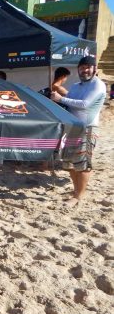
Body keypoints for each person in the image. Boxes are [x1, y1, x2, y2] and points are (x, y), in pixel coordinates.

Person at [51, 56, 106, 206]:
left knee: (83, 163)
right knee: (70, 163)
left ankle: (79, 196)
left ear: (94, 69)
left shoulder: (98, 85)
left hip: (87, 128)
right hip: (72, 128)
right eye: (82, 68)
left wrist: (60, 99)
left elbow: (85, 104)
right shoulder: (76, 85)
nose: (85, 70)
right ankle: (76, 191)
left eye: (88, 67)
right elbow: (70, 100)